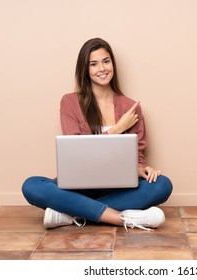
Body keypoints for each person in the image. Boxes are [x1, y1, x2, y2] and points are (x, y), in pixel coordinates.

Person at [22, 38, 173, 231]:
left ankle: (71, 212)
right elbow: (76, 151)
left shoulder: (130, 107)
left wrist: (142, 168)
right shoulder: (70, 102)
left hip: (118, 187)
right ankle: (122, 218)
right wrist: (117, 129)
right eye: (93, 64)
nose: (102, 68)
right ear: (85, 70)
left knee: (162, 185)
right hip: (78, 185)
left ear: (113, 64)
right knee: (31, 185)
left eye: (106, 61)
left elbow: (138, 153)